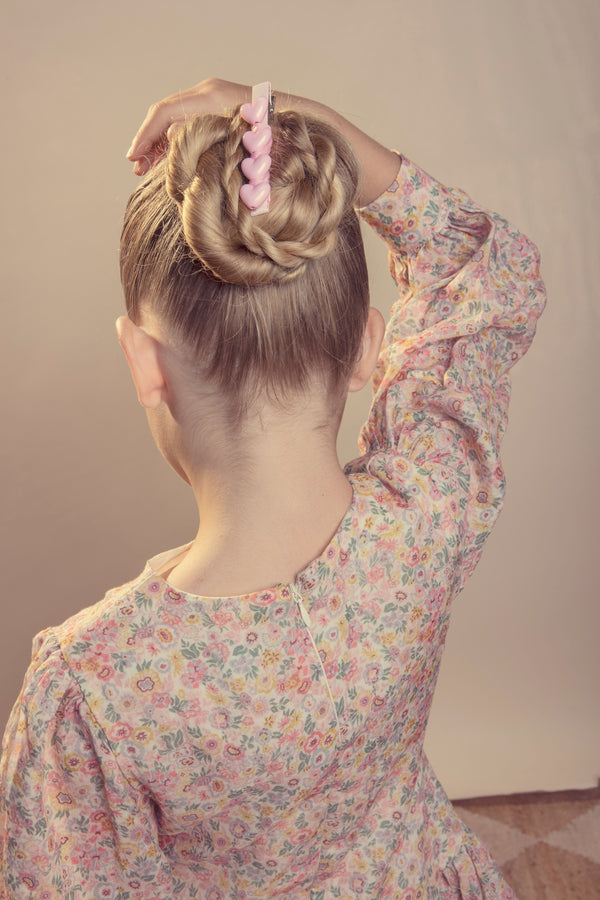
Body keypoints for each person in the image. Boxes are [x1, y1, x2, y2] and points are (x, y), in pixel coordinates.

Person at [0, 78, 545, 899]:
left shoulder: (94, 685)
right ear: (368, 346)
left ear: (143, 363)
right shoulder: (429, 514)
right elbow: (482, 266)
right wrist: (293, 118)